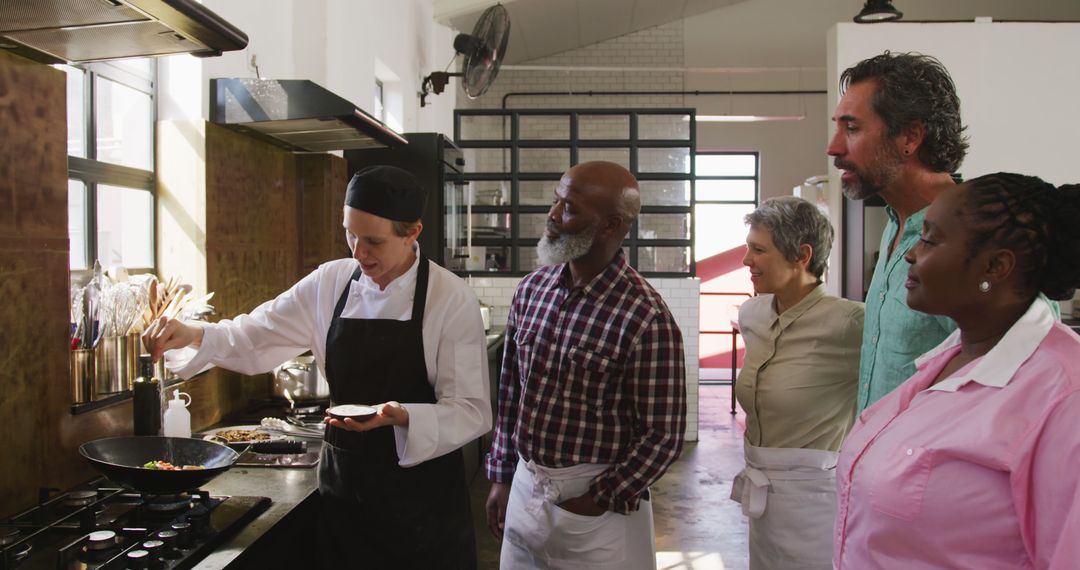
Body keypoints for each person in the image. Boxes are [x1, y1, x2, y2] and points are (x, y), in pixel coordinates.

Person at [141, 166, 490, 569]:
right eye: (350, 234)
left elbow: (471, 409)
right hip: (345, 498)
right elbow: (257, 333)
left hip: (422, 510)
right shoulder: (331, 282)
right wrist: (194, 333)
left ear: (413, 233)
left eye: (373, 241)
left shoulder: (450, 298)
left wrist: (403, 416)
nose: (358, 252)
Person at [834, 173, 1080, 568]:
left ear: (996, 266)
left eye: (930, 239)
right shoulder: (946, 360)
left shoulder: (1064, 399)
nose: (911, 254)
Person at [484, 161, 686, 569]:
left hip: (598, 508)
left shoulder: (645, 316)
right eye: (556, 202)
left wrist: (599, 497)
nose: (553, 216)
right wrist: (502, 475)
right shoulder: (532, 290)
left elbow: (663, 434)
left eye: (570, 209)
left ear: (611, 226)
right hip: (526, 483)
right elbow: (510, 395)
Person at [827, 52, 966, 412]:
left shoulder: (971, 241)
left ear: (910, 136)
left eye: (852, 128)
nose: (834, 148)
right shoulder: (895, 225)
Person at [731, 197, 864, 569]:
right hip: (763, 497)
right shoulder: (753, 314)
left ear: (801, 256)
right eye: (747, 248)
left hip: (816, 503)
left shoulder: (849, 323)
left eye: (758, 250)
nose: (746, 261)